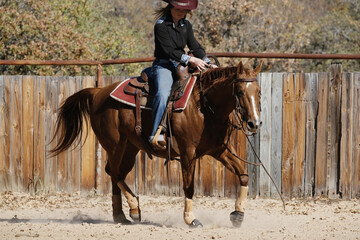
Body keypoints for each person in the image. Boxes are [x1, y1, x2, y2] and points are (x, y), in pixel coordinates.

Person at [150, 0, 216, 148]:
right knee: (163, 93)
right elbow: (168, 51)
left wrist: (206, 61)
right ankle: (156, 133)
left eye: (184, 10)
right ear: (171, 7)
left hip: (183, 65)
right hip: (164, 65)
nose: (181, 12)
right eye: (178, 8)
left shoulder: (186, 26)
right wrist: (191, 59)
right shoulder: (161, 25)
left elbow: (195, 45)